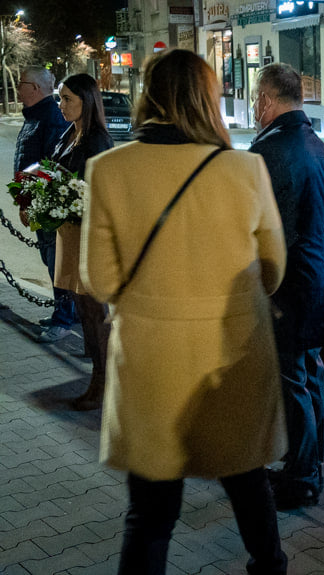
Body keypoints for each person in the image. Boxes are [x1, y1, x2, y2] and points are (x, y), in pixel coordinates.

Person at [80, 49, 289, 574]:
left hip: (152, 362)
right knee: (249, 488)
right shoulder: (245, 169)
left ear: (146, 95)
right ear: (208, 98)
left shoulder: (109, 169)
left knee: (149, 515)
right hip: (231, 360)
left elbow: (99, 280)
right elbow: (273, 269)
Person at [248, 62, 324, 510]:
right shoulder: (317, 146)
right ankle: (308, 465)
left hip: (286, 285)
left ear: (267, 100)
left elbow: (262, 230)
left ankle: (303, 477)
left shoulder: (268, 152)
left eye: (256, 98)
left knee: (294, 381)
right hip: (317, 280)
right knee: (310, 379)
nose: (255, 106)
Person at [52, 73, 113, 410]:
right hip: (70, 235)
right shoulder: (69, 135)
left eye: (67, 99)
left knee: (94, 312)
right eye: (60, 98)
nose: (61, 105)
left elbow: (102, 196)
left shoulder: (97, 141)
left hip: (90, 238)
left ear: (86, 102)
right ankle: (99, 377)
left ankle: (102, 382)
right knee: (84, 310)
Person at [14, 65, 74, 343]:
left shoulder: (50, 117)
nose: (17, 87)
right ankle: (64, 314)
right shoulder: (35, 115)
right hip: (38, 203)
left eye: (21, 82)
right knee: (49, 259)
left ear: (35, 88)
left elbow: (50, 165)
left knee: (56, 264)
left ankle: (64, 320)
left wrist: (28, 202)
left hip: (46, 206)